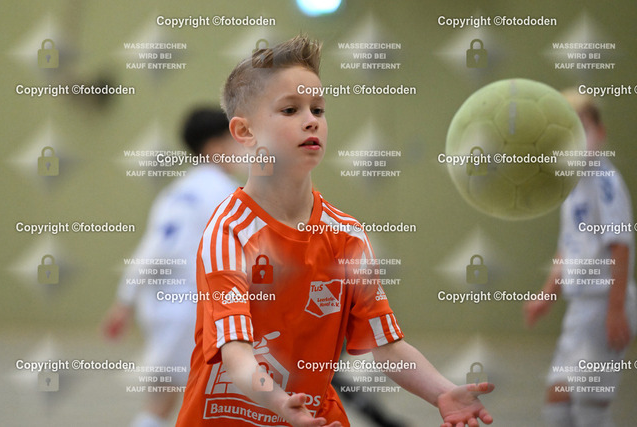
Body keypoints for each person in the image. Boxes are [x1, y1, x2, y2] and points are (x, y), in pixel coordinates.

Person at [176, 35, 494, 427]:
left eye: (318, 109)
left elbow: (387, 345)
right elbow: (237, 355)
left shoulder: (347, 236)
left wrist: (442, 392)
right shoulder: (229, 232)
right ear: (244, 132)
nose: (312, 120)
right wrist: (279, 402)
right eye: (290, 109)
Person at [101, 107, 242, 427]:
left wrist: (124, 301)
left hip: (161, 306)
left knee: (165, 400)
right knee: (204, 402)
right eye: (236, 141)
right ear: (215, 147)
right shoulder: (225, 193)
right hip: (194, 310)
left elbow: (153, 249)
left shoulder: (175, 192)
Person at [524, 89, 637, 427]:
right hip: (579, 310)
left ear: (600, 132)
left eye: (582, 129)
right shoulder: (572, 186)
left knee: (590, 406)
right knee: (557, 403)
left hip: (603, 303)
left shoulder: (605, 181)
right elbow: (568, 247)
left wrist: (615, 308)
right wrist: (547, 294)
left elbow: (620, 245)